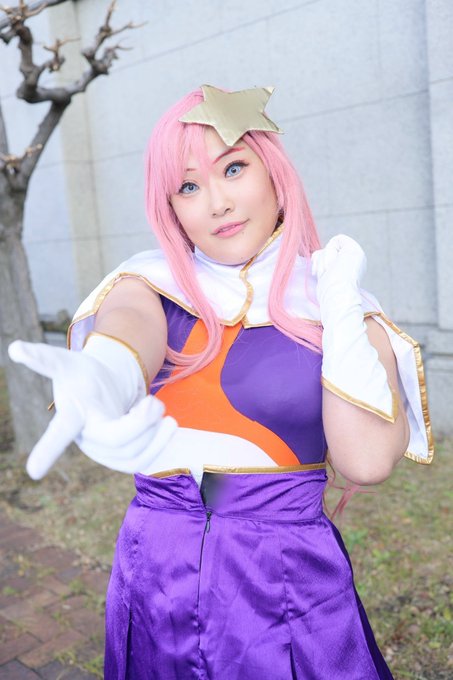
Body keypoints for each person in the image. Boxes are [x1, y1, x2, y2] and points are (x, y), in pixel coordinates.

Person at [9, 85, 434, 680]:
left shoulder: (342, 308)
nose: (216, 203)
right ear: (171, 208)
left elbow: (365, 461)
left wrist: (338, 304)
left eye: (233, 169)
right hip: (155, 571)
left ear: (274, 172)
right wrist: (104, 374)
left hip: (284, 577)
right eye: (188, 187)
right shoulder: (149, 285)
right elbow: (128, 326)